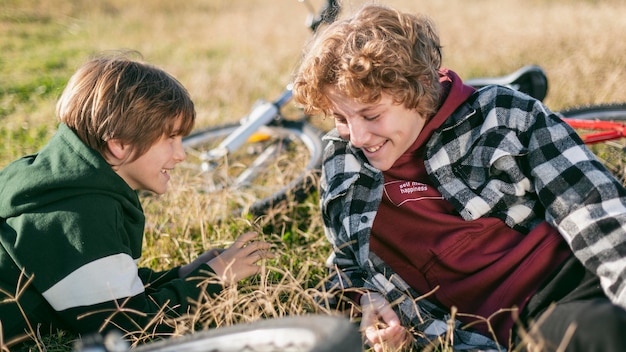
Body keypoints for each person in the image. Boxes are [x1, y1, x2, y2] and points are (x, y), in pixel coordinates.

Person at [291, 4, 626, 352]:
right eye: (341, 118)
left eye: (371, 115)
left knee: (602, 330)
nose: (357, 136)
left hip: (575, 279)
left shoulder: (503, 113)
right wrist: (368, 300)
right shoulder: (342, 161)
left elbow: (593, 206)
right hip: (508, 334)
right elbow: (345, 263)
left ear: (418, 88)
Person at [0, 53, 274, 344]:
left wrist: (183, 273)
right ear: (119, 144)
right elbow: (129, 329)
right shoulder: (82, 216)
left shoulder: (66, 184)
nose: (181, 155)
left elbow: (110, 291)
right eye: (170, 138)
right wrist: (213, 277)